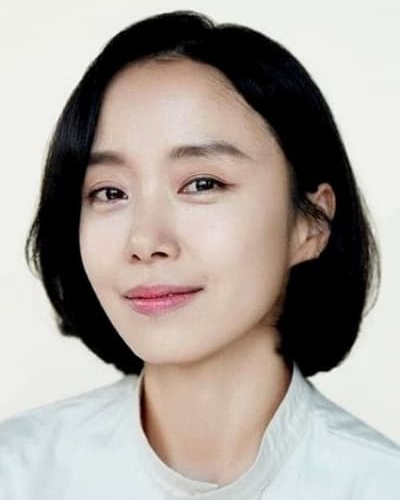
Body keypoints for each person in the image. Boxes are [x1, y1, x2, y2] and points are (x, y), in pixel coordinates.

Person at [1, 9, 399, 499]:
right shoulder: (16, 474)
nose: (145, 241)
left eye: (202, 184)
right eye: (109, 192)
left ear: (310, 223)